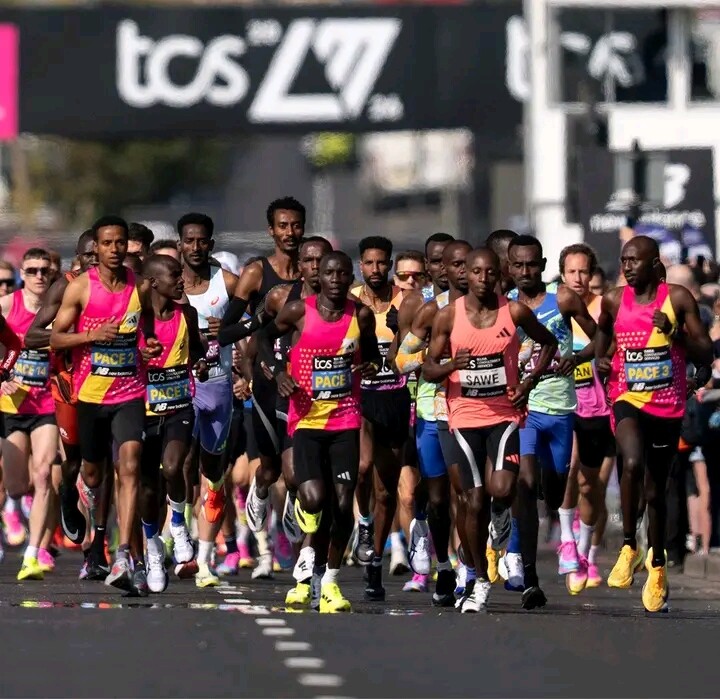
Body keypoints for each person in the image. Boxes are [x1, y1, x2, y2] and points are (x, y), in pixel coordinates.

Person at [424, 248, 557, 612]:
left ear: (499, 275)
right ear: (465, 274)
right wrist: (452, 364)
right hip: (463, 419)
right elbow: (428, 369)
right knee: (473, 501)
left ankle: (501, 517)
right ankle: (480, 580)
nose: (483, 279)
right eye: (476, 272)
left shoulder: (514, 312)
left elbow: (549, 342)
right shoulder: (448, 316)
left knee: (503, 489)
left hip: (504, 416)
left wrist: (528, 382)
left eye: (490, 273)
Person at [258, 251, 381, 612]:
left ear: (350, 277)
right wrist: (279, 371)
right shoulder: (299, 311)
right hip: (307, 419)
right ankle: (308, 550)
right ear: (319, 277)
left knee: (342, 504)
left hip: (345, 419)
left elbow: (372, 355)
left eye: (343, 274)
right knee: (313, 498)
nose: (336, 280)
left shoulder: (360, 315)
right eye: (330, 273)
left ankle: (329, 582)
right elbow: (263, 338)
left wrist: (372, 366)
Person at [595, 235, 712, 613]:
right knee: (631, 462)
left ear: (654, 264)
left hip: (667, 405)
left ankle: (657, 564)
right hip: (628, 397)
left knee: (656, 492)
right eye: (624, 260)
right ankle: (629, 545)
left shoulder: (677, 298)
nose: (627, 267)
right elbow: (601, 338)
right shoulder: (614, 300)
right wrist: (600, 360)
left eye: (635, 260)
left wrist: (675, 334)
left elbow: (705, 350)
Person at [50, 215, 151, 594]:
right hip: (91, 395)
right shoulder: (80, 288)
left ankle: (123, 553)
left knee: (131, 465)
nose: (114, 249)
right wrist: (91, 335)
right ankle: (96, 530)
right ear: (97, 247)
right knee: (93, 475)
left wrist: (148, 346)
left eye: (120, 242)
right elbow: (56, 339)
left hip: (130, 393)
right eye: (107, 243)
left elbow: (147, 331)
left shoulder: (140, 286)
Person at [506, 235, 596, 609]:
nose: (526, 271)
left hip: (561, 408)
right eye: (518, 265)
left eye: (532, 264)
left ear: (543, 266)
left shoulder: (563, 299)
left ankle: (555, 531)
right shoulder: (504, 305)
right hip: (523, 410)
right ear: (510, 267)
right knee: (525, 484)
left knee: (555, 487)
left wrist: (579, 357)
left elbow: (601, 337)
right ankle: (523, 567)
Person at [219, 197, 305, 574]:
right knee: (269, 469)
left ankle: (293, 509)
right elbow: (226, 330)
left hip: (303, 383)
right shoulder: (256, 273)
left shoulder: (315, 271)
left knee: (296, 470)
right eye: (283, 226)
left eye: (296, 225)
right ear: (271, 230)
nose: (290, 232)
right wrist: (263, 322)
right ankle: (261, 489)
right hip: (266, 381)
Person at [25, 231, 97, 556]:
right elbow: (32, 336)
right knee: (75, 460)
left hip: (114, 385)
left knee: (112, 462)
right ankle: (68, 491)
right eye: (88, 256)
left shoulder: (125, 288)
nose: (94, 261)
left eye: (98, 254)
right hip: (70, 386)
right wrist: (76, 336)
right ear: (78, 258)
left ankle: (104, 543)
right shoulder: (65, 286)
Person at [138, 254, 207, 593]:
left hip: (179, 407)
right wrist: (139, 357)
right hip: (143, 410)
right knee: (148, 487)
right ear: (153, 282)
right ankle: (153, 549)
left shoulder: (186, 314)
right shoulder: (137, 319)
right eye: (174, 275)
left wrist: (201, 364)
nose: (182, 280)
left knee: (172, 467)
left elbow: (196, 352)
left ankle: (178, 525)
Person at [178, 212, 239, 587]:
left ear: (211, 244)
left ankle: (204, 559)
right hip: (181, 387)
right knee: (179, 463)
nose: (196, 247)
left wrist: (228, 329)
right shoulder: (168, 284)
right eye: (189, 240)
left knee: (212, 472)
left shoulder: (227, 282)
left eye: (202, 241)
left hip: (218, 386)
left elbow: (260, 321)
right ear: (180, 244)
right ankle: (182, 542)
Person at [350, 236, 411, 601]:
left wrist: (401, 332)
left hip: (396, 397)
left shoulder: (407, 301)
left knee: (386, 491)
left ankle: (375, 562)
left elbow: (421, 346)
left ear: (390, 264)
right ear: (361, 265)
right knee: (361, 468)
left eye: (381, 263)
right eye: (369, 263)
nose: (375, 269)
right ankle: (363, 523)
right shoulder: (350, 301)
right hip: (360, 399)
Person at [559, 244, 615, 594]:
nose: (578, 279)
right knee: (569, 468)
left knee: (590, 486)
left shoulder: (604, 308)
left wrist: (605, 359)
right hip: (565, 406)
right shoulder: (555, 307)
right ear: (562, 274)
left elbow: (615, 346)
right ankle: (568, 541)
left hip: (601, 408)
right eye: (572, 272)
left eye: (584, 271)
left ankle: (586, 551)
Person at [0, 248, 57, 581]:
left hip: (47, 404)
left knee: (44, 473)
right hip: (12, 406)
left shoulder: (60, 309)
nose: (38, 276)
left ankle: (33, 554)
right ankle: (14, 507)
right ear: (22, 274)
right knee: (16, 484)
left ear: (52, 274)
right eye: (32, 270)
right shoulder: (8, 306)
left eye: (44, 270)